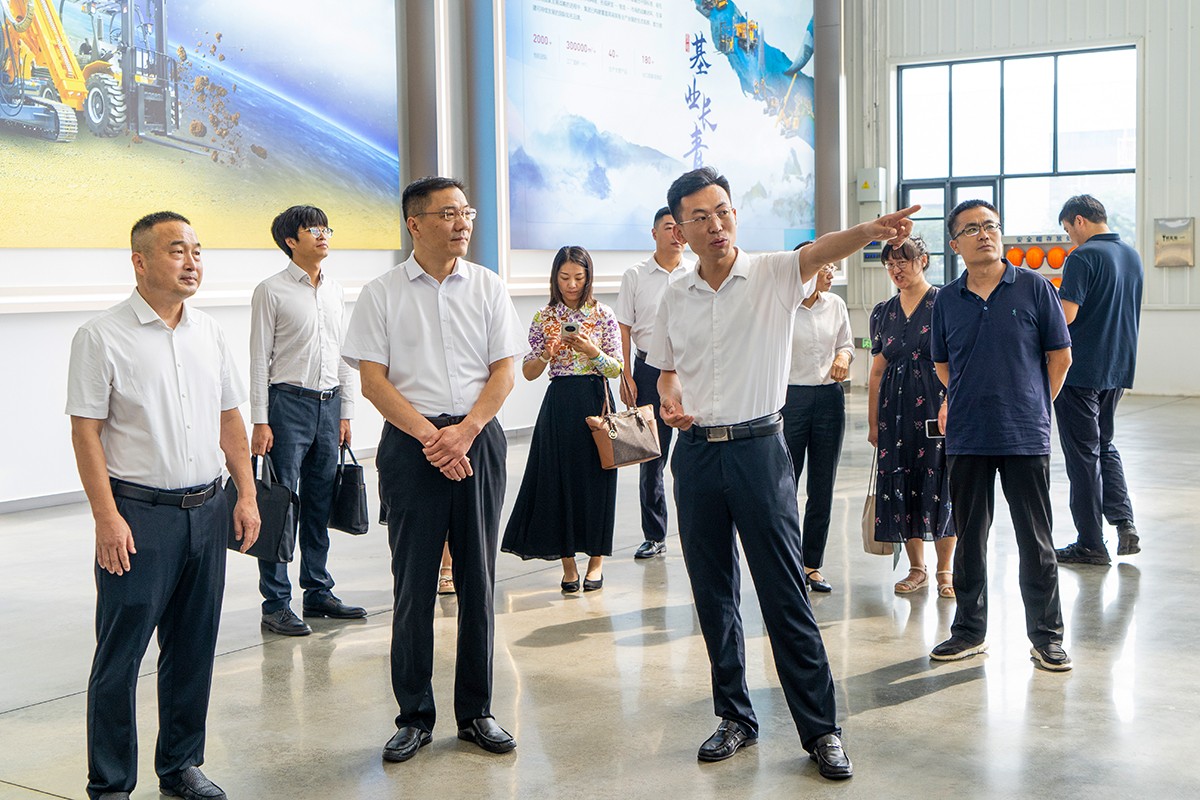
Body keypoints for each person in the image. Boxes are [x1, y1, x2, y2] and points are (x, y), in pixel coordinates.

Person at [649, 165, 918, 780]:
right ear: (680, 230)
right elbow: (665, 371)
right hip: (696, 455)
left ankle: (821, 729)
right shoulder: (675, 295)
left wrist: (872, 230)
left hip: (759, 451)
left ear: (734, 214)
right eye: (700, 217)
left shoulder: (773, 274)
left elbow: (821, 250)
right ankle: (734, 717)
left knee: (784, 591)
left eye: (723, 211)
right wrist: (669, 399)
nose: (716, 225)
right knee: (713, 593)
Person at [66, 211, 261, 800]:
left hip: (208, 508)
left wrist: (246, 494)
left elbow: (229, 419)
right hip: (138, 516)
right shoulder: (101, 336)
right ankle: (111, 784)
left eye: (197, 251)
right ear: (140, 261)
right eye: (177, 251)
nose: (191, 262)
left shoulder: (210, 332)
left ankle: (180, 766)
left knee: (193, 646)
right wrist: (106, 517)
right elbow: (86, 433)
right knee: (120, 654)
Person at [342, 177, 527, 763]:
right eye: (448, 213)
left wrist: (465, 432)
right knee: (414, 584)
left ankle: (476, 713)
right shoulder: (381, 294)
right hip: (411, 446)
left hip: (478, 440)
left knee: (478, 580)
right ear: (414, 223)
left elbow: (504, 372)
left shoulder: (489, 287)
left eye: (466, 212)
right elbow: (373, 382)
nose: (462, 222)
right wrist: (431, 438)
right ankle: (414, 716)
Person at [929, 199, 1073, 672]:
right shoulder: (947, 299)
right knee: (970, 538)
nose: (984, 234)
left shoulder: (1034, 287)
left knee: (1036, 539)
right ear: (955, 244)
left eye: (990, 225)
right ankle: (969, 631)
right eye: (971, 229)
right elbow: (943, 365)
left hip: (1024, 434)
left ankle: (1046, 637)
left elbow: (1060, 357)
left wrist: (1033, 403)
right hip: (968, 433)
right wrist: (970, 398)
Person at [250, 205, 365, 636]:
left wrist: (346, 412)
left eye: (325, 228)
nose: (322, 235)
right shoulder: (271, 290)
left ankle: (317, 591)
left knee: (320, 503)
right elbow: (259, 359)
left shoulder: (335, 290)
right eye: (312, 229)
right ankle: (276, 604)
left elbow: (343, 356)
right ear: (290, 241)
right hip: (287, 405)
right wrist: (260, 420)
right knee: (280, 506)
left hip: (328, 407)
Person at [501, 246, 623, 591]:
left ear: (589, 278)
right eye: (565, 277)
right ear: (554, 278)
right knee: (558, 482)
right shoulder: (544, 316)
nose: (571, 284)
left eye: (579, 277)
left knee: (599, 481)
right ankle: (568, 565)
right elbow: (528, 373)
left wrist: (591, 351)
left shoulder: (603, 314)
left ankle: (596, 563)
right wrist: (546, 353)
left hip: (597, 402)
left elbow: (616, 368)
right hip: (559, 403)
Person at [1052, 194, 1143, 565]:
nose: (1070, 237)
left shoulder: (1083, 256)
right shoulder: (1131, 255)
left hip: (1080, 370)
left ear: (1079, 220)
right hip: (1117, 367)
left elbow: (1066, 316)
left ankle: (1091, 544)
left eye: (1068, 229)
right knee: (1104, 444)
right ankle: (1124, 523)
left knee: (1082, 456)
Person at [867, 235, 956, 597]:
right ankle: (916, 567)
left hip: (936, 408)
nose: (896, 270)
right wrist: (873, 422)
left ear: (923, 260)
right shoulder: (883, 311)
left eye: (903, 262)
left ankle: (946, 571)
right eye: (890, 264)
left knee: (940, 481)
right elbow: (877, 370)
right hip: (895, 412)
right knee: (903, 483)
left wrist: (951, 403)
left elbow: (958, 362)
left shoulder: (945, 303)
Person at [614, 207, 693, 559]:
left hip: (690, 370)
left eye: (680, 228)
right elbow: (623, 328)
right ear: (654, 233)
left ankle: (696, 528)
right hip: (647, 369)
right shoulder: (636, 275)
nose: (676, 234)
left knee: (694, 452)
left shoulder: (696, 271)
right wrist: (625, 375)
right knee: (651, 457)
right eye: (668, 227)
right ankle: (655, 534)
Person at [781, 256, 853, 594]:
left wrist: (843, 356)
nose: (829, 272)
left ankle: (812, 564)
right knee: (785, 486)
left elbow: (846, 344)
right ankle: (787, 564)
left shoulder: (835, 304)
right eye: (823, 266)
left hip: (829, 399)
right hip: (790, 399)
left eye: (831, 267)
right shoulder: (783, 307)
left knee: (822, 487)